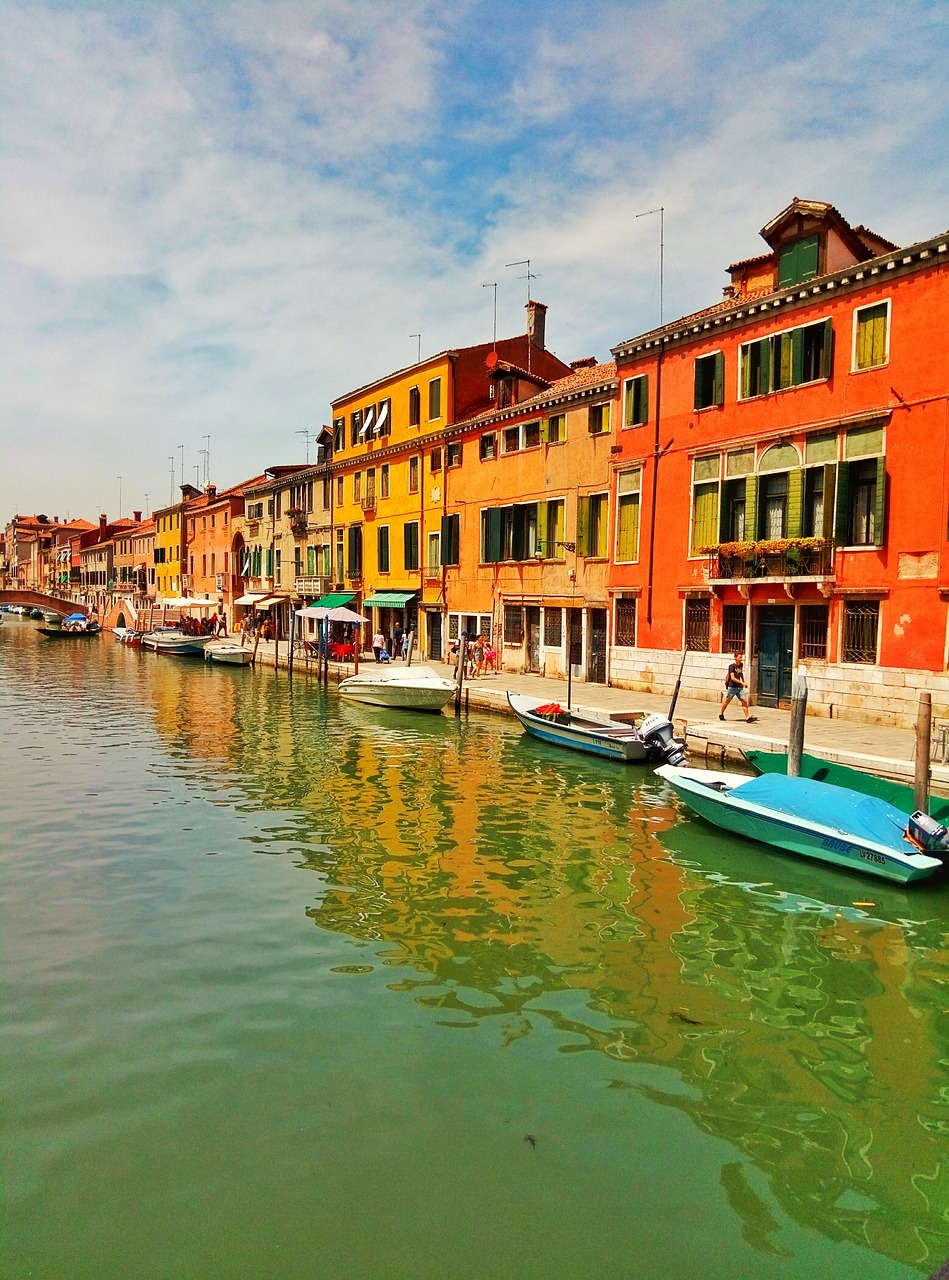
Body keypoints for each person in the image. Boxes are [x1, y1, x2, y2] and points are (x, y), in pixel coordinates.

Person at [720, 651, 756, 722]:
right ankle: (721, 713)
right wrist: (742, 683)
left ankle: (747, 717)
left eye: (741, 657)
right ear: (735, 658)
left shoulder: (741, 665)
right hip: (732, 687)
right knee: (727, 701)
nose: (741, 659)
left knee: (744, 701)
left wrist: (743, 681)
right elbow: (732, 678)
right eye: (739, 657)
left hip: (739, 687)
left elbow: (741, 673)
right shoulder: (731, 667)